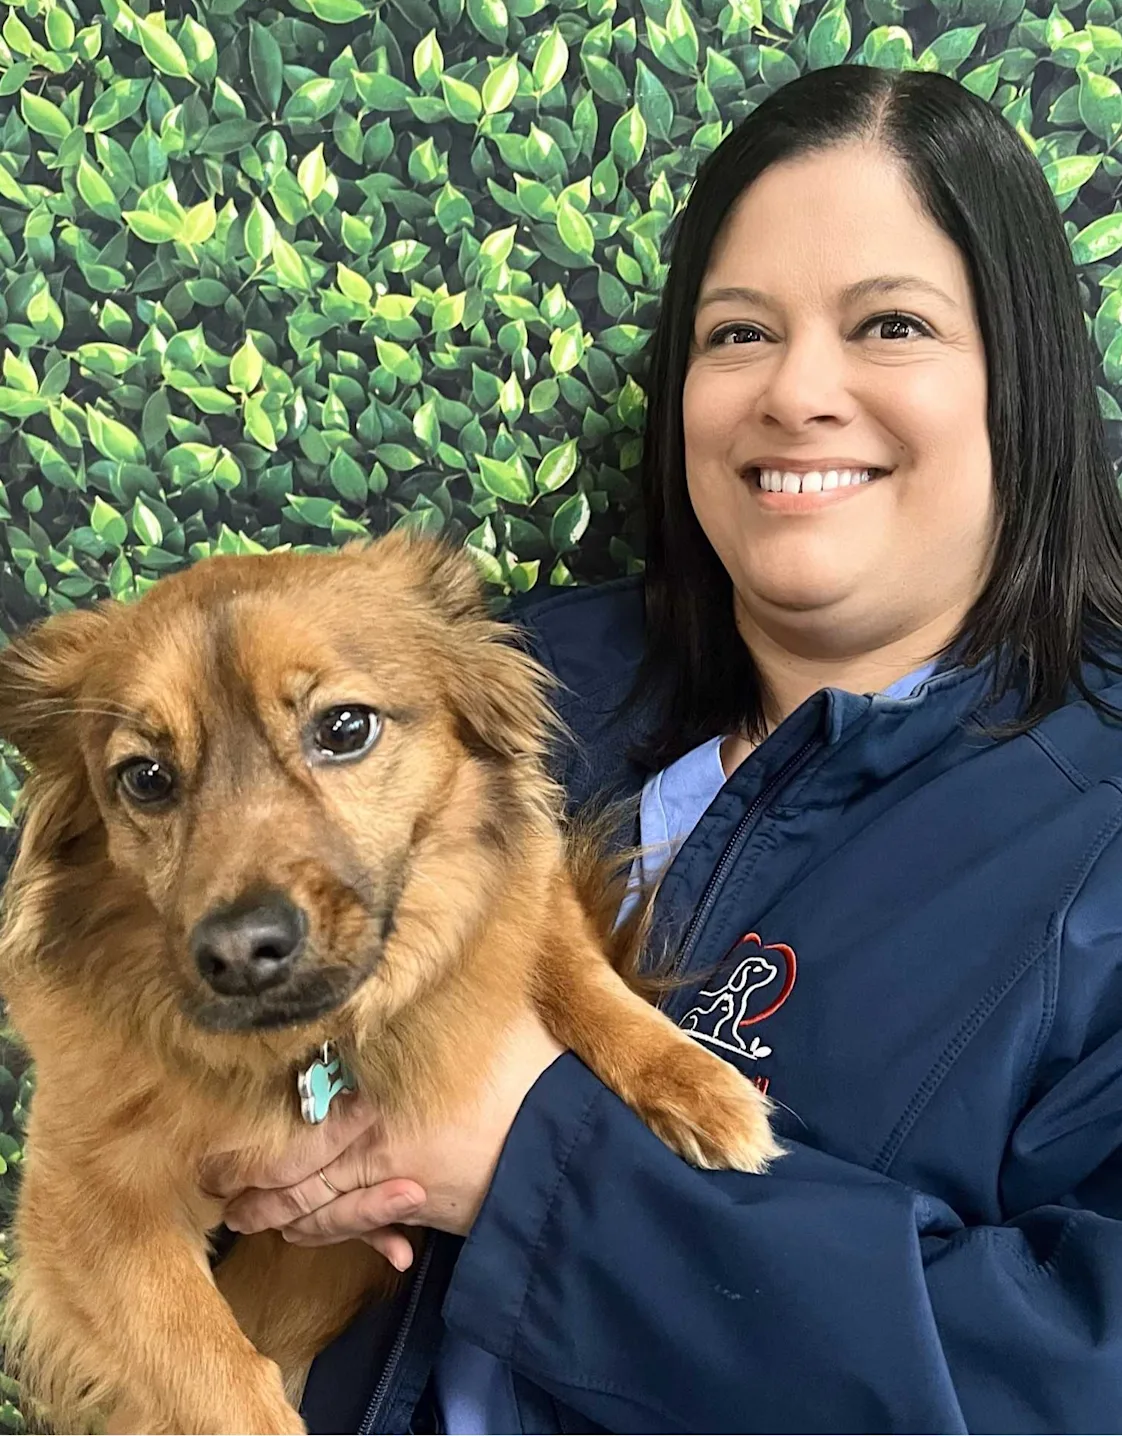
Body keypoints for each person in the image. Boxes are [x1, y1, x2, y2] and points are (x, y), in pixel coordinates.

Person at [206, 65, 1122, 1433]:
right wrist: (284, 1115)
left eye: (888, 325)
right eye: (738, 333)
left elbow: (1068, 1379)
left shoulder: (1094, 829)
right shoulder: (481, 697)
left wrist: (524, 1160)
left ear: (1019, 377)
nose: (796, 393)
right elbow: (254, 1017)